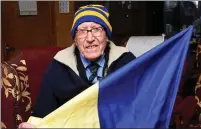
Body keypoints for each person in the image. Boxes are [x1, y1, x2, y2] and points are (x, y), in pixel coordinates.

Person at [19, 4, 136, 128]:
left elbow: (142, 101)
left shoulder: (126, 61)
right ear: (75, 39)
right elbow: (43, 111)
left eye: (96, 29)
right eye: (82, 31)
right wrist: (34, 126)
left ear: (106, 35)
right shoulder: (59, 65)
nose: (90, 38)